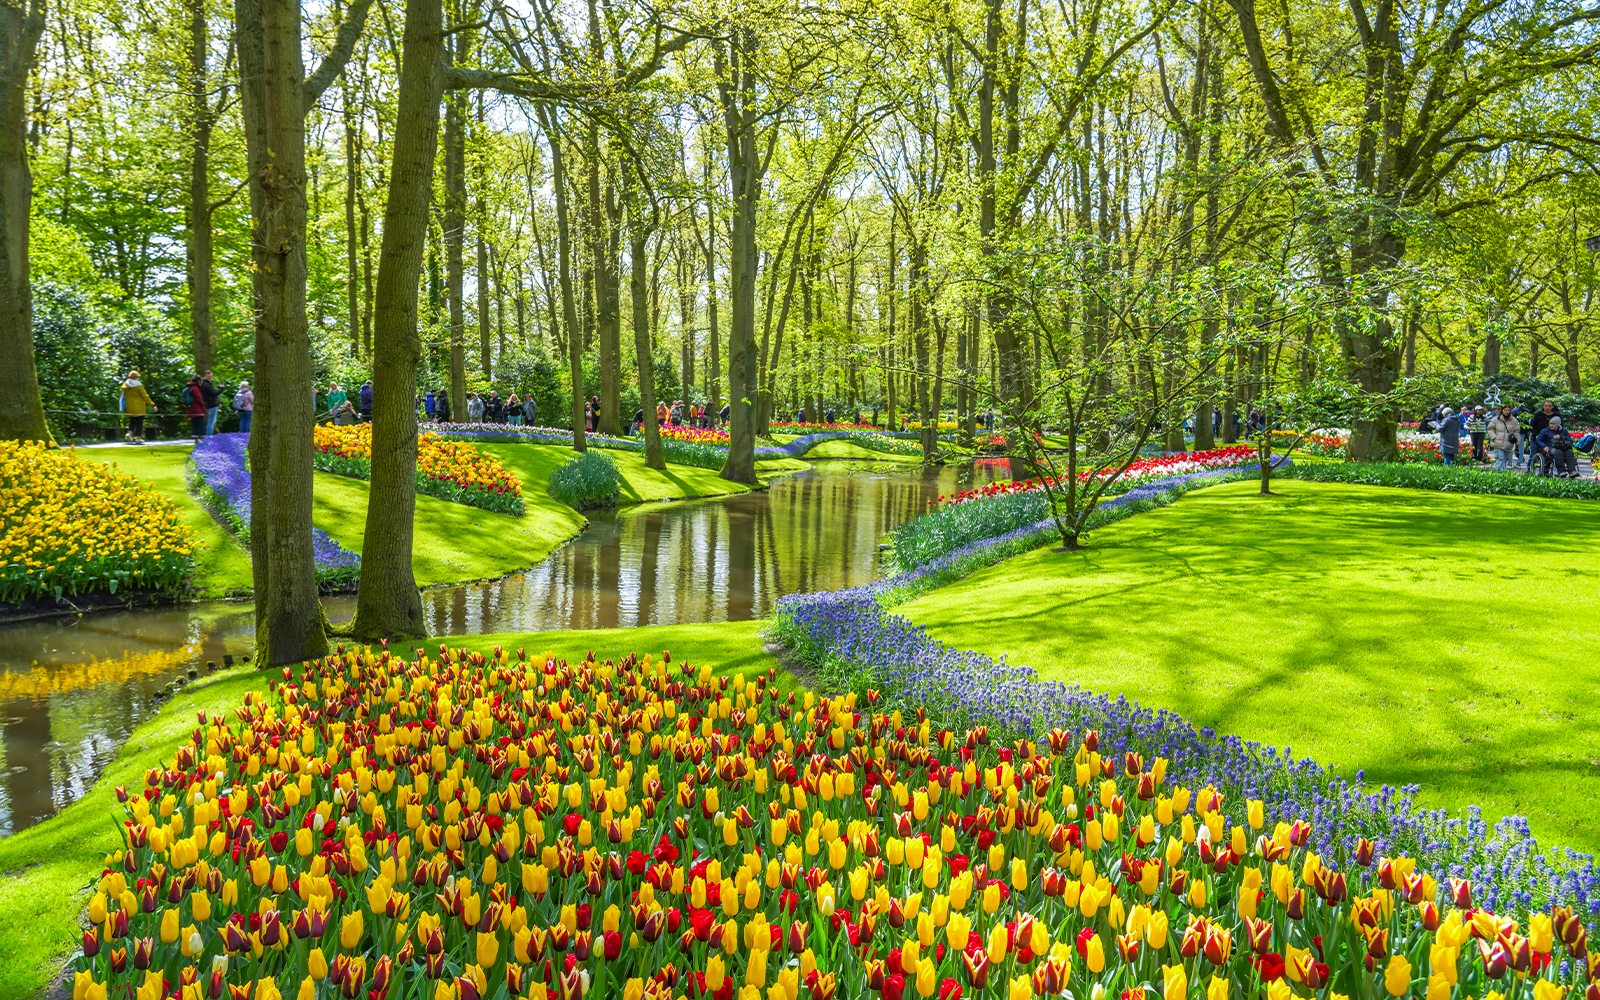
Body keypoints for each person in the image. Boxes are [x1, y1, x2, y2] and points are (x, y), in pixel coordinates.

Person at [121, 371, 156, 444]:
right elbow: (145, 396)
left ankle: (129, 433)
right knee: (139, 422)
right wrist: (152, 404)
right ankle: (138, 438)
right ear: (137, 377)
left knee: (132, 421)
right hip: (139, 407)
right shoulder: (139, 385)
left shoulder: (125, 385)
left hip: (129, 407)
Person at [1527, 399, 1559, 469]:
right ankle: (1529, 468)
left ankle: (1547, 468)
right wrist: (1536, 434)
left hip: (1549, 438)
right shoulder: (1538, 414)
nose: (1547, 408)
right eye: (1546, 406)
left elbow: (1560, 426)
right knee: (1533, 454)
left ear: (1552, 407)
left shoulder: (1556, 415)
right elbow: (1532, 426)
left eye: (1549, 406)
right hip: (1537, 436)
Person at [1487, 404, 1518, 472]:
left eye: (1508, 410)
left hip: (1508, 443)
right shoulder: (1496, 419)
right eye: (1505, 410)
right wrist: (1494, 437)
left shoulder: (1514, 420)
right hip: (1498, 443)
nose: (1507, 412)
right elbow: (1490, 429)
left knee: (1504, 459)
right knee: (1500, 458)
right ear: (1502, 411)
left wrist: (1516, 442)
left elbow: (1517, 431)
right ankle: (1500, 474)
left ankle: (1502, 473)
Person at [182, 375, 208, 444]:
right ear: (198, 381)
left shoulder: (190, 387)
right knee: (201, 423)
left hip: (192, 409)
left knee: (195, 424)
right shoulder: (195, 388)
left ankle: (196, 437)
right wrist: (204, 405)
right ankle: (203, 437)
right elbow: (198, 398)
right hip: (197, 408)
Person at [200, 370, 222, 436]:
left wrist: (218, 402)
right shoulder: (206, 384)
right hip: (211, 404)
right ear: (204, 376)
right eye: (208, 376)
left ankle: (209, 435)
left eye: (211, 376)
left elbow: (213, 393)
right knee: (211, 421)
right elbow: (213, 393)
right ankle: (209, 435)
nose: (210, 377)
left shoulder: (207, 384)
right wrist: (221, 389)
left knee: (212, 421)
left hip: (212, 403)